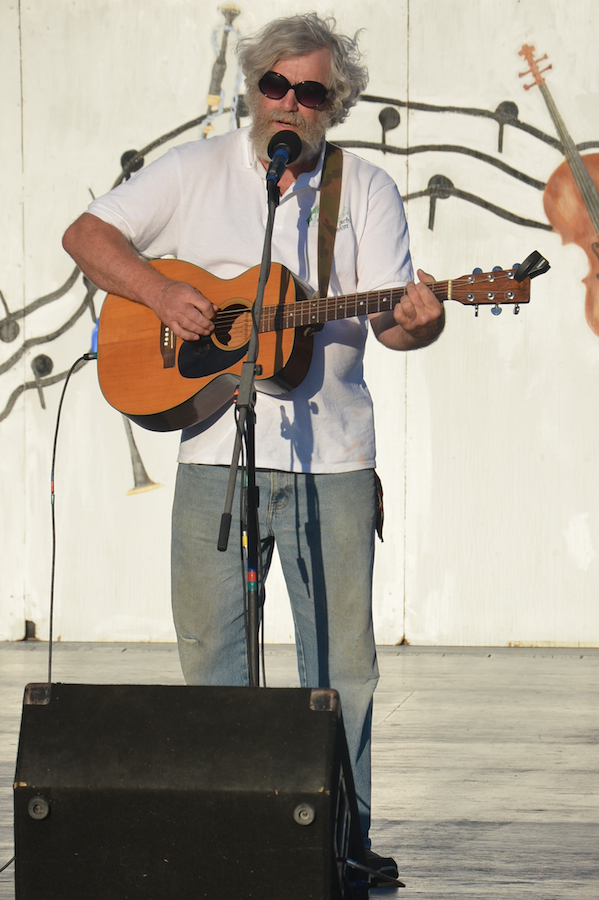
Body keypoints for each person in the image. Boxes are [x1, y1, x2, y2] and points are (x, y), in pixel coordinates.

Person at [63, 12, 444, 885]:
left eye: (309, 93)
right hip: (210, 455)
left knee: (341, 671)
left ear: (331, 106)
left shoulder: (368, 189)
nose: (289, 104)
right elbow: (87, 235)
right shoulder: (197, 168)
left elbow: (392, 327)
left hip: (333, 463)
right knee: (212, 660)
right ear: (253, 89)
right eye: (275, 86)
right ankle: (228, 832)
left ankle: (339, 842)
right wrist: (161, 293)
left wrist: (423, 321)